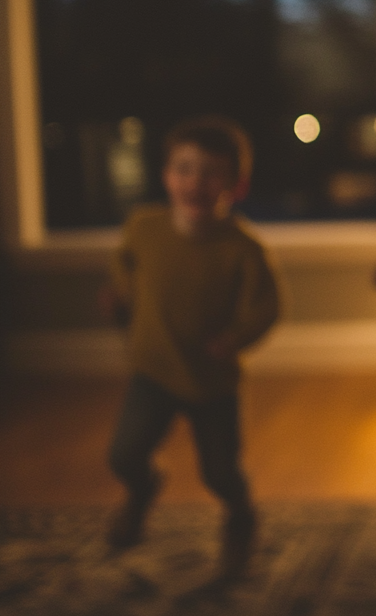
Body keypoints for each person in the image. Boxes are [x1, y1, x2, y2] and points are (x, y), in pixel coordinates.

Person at [102, 115, 279, 579]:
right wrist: (121, 294)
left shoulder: (242, 249)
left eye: (210, 172)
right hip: (152, 372)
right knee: (124, 455)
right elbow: (126, 265)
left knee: (221, 473)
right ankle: (142, 492)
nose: (195, 182)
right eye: (184, 168)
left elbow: (266, 308)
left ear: (235, 185)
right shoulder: (144, 227)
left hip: (212, 383)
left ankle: (240, 516)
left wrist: (235, 338)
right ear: (166, 176)